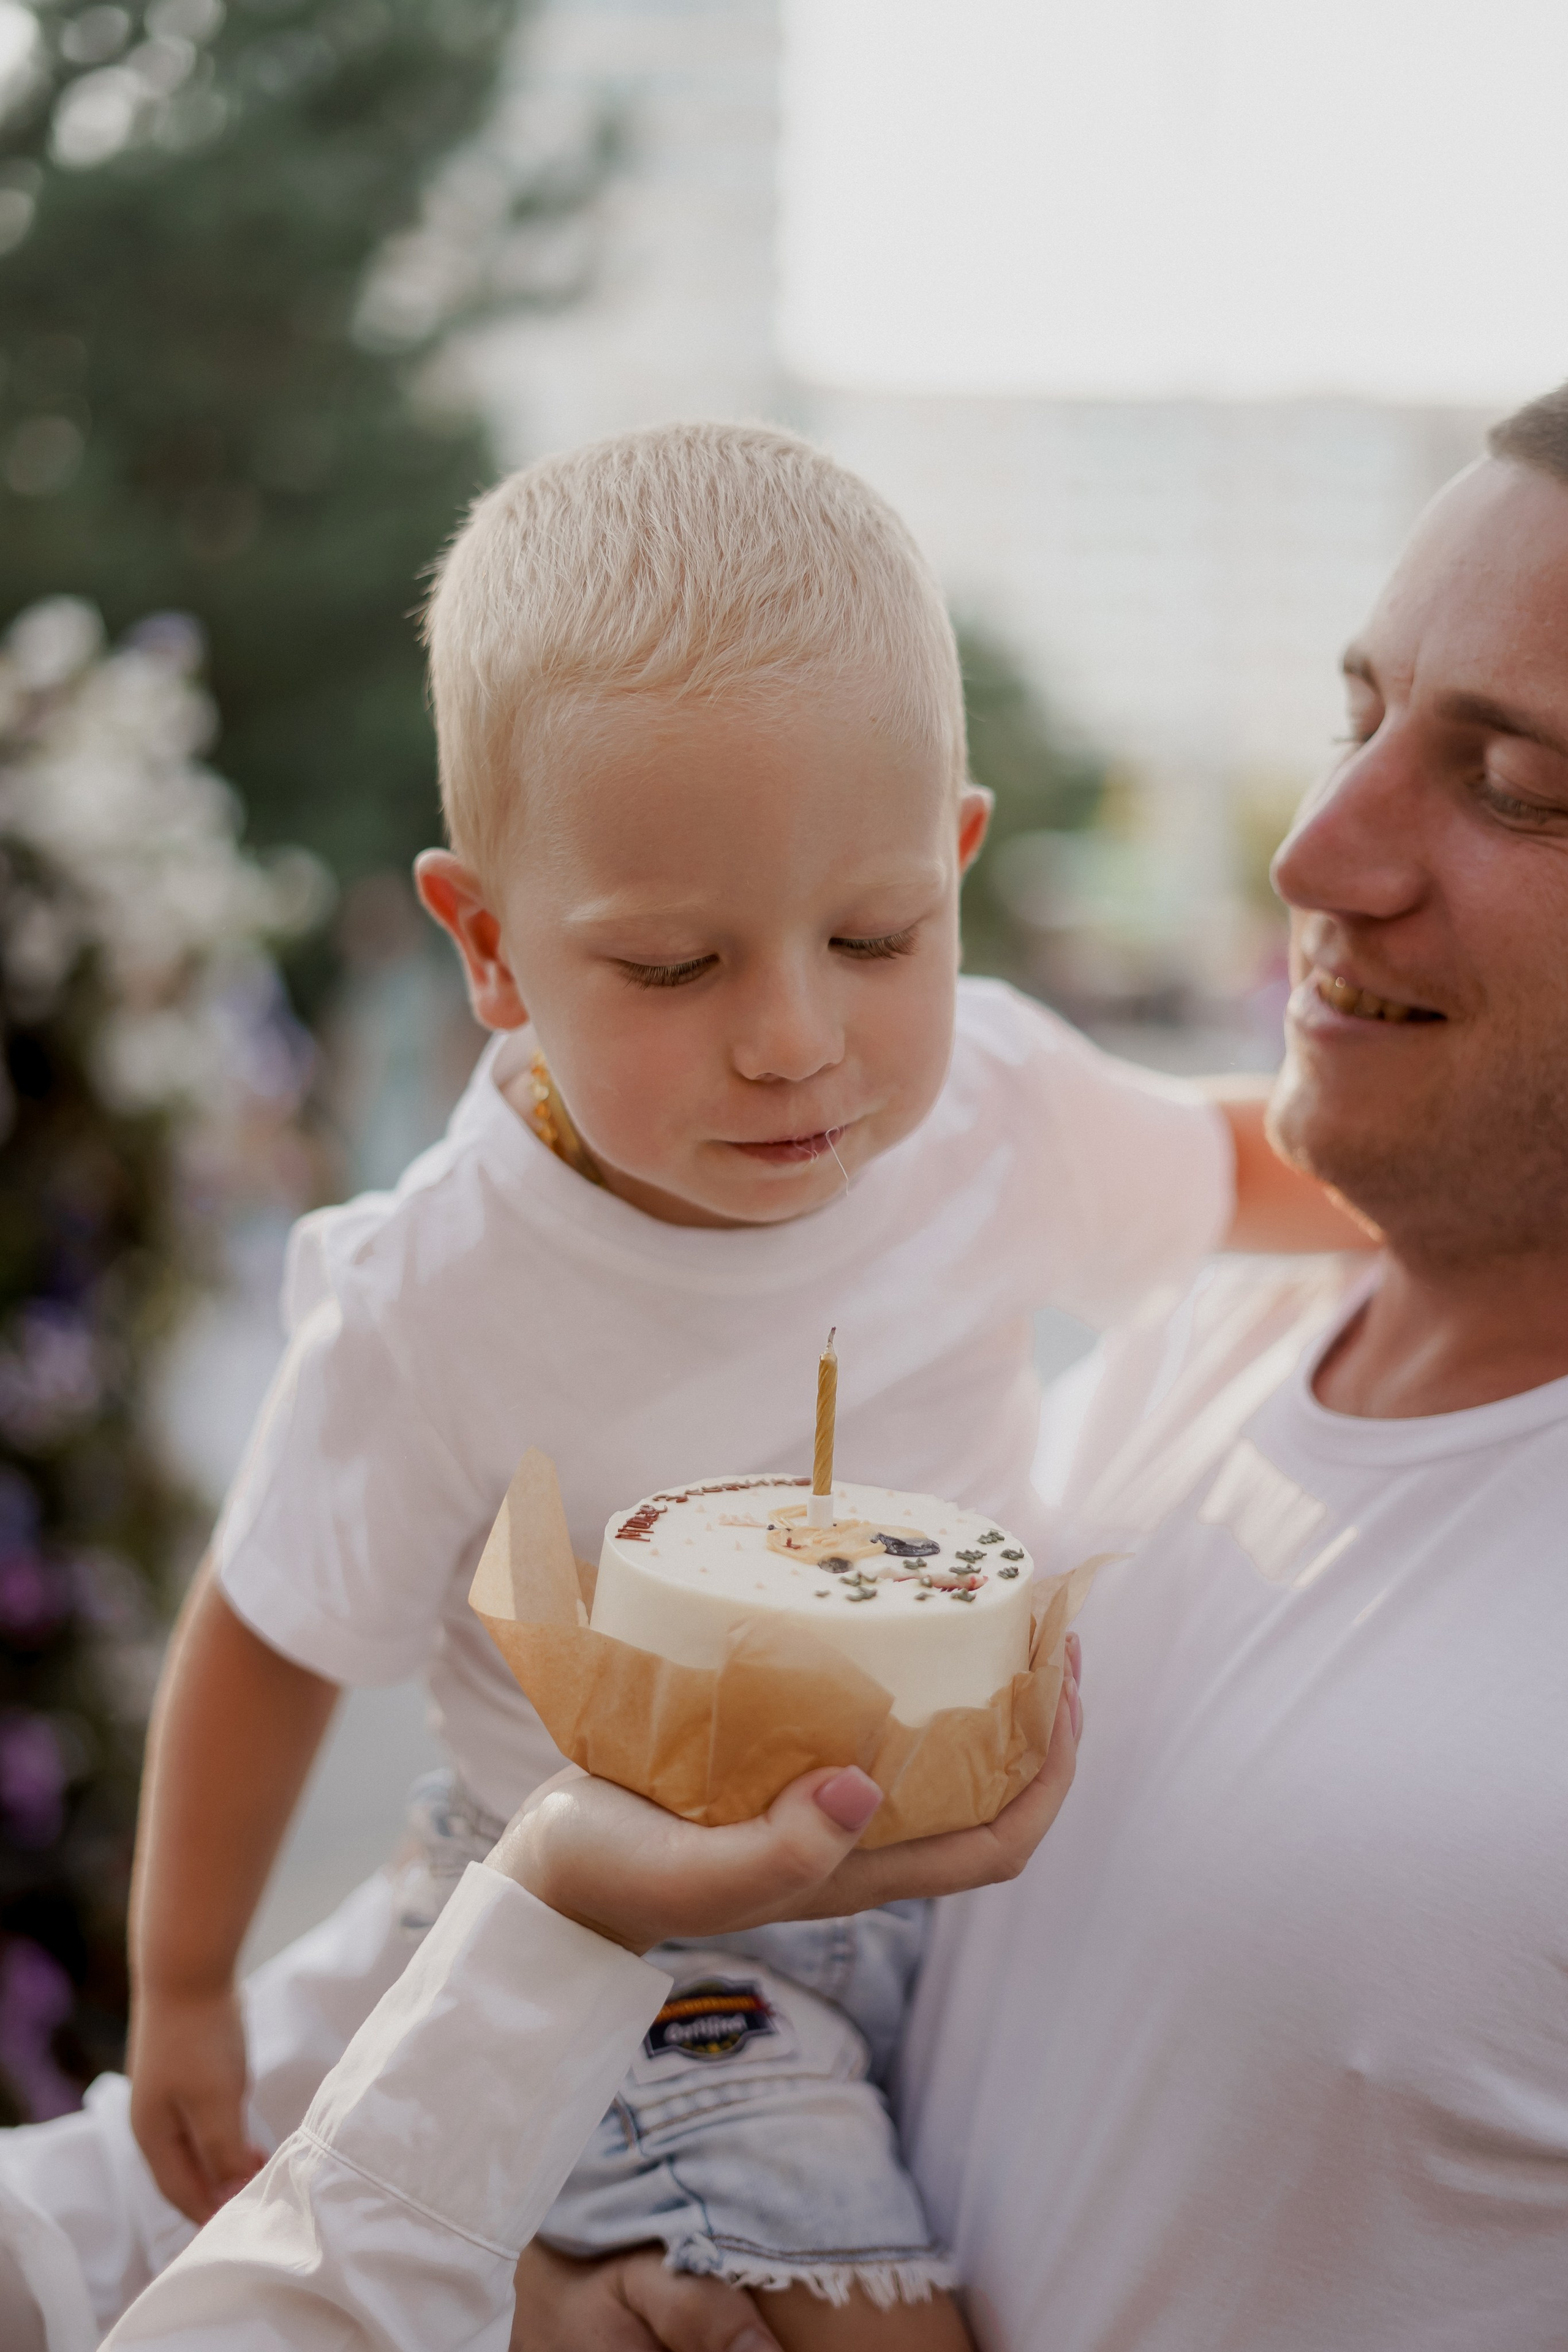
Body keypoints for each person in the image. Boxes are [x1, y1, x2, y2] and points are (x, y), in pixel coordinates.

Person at [125, 424, 1355, 2340]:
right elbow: (273, 1626)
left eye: (875, 937)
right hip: (633, 1940)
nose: (794, 1043)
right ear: (490, 949)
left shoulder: (1006, 1108)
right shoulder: (438, 1294)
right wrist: (186, 1983)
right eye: (675, 965)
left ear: (958, 857)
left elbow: (1252, 1171)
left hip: (957, 1899)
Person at [522, 390, 1568, 2350]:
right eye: (1357, 719)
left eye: (1515, 782)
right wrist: (589, 2275)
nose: (1319, 851)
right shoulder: (1205, 1313)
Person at [0, 1692, 1080, 2349]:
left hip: (558, 1890)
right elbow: (278, 1602)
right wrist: (184, 1987)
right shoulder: (421, 1329)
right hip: (616, 1903)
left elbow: (67, 2251)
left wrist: (496, 2290)